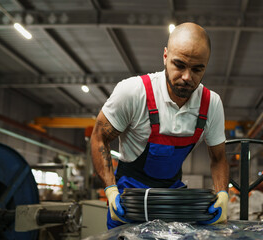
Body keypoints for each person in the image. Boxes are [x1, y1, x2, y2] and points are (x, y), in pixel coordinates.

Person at [91, 22, 229, 229]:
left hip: (173, 200)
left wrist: (222, 194)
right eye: (179, 65)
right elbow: (99, 138)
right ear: (165, 56)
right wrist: (111, 190)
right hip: (130, 200)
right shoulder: (133, 92)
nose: (187, 77)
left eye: (197, 69)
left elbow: (218, 158)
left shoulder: (211, 105)